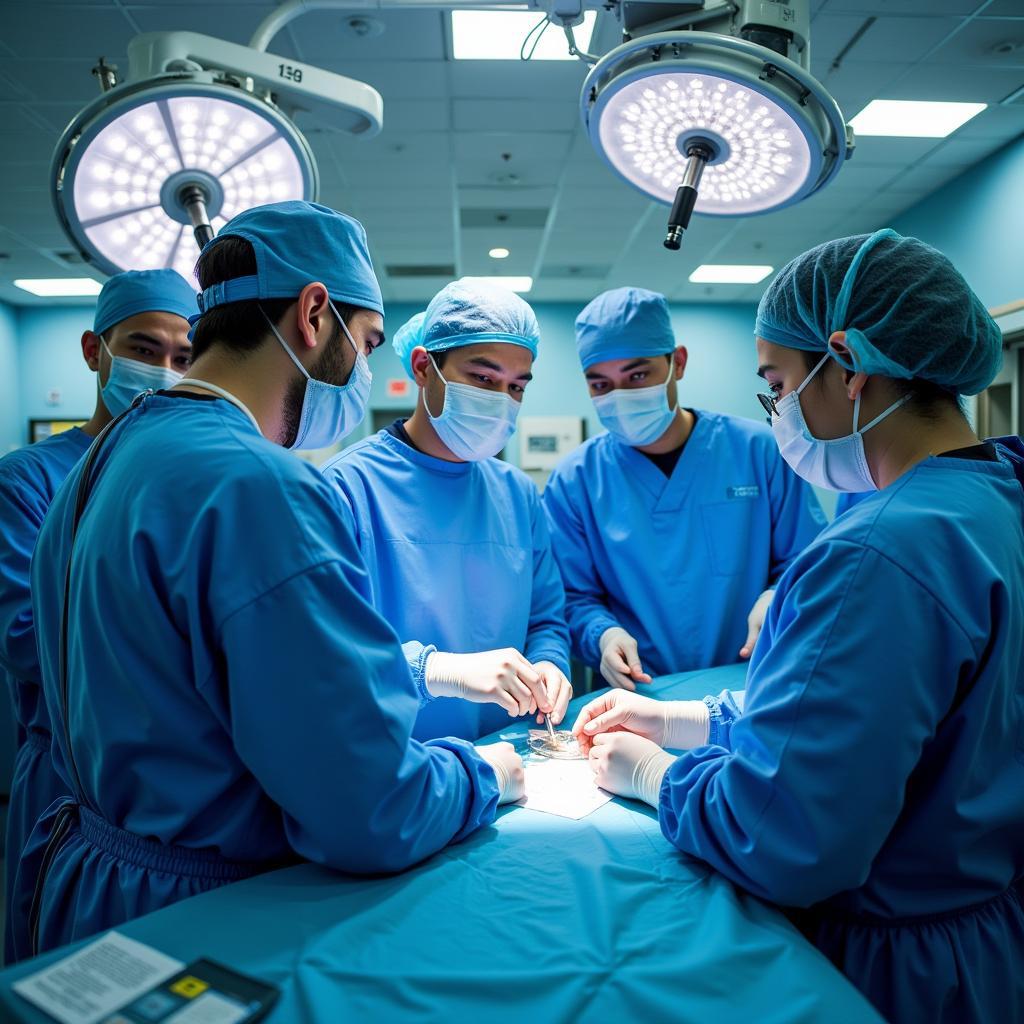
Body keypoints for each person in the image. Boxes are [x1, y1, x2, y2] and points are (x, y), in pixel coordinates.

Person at [17, 202, 521, 961]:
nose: (366, 372)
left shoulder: (103, 460)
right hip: (212, 917)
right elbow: (368, 809)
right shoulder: (259, 485)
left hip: (96, 893)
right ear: (315, 313)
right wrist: (483, 774)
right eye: (370, 343)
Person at [572, 229, 1024, 1024]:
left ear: (846, 366)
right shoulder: (995, 502)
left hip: (899, 970)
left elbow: (782, 839)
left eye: (776, 381)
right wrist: (687, 719)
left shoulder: (880, 551)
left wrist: (651, 773)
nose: (776, 407)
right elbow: (887, 723)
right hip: (986, 934)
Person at [0, 268, 196, 962]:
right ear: (94, 351)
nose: (165, 371)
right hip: (71, 778)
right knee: (62, 968)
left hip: (175, 788)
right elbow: (27, 638)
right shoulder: (28, 480)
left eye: (183, 356)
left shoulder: (185, 477)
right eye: (144, 350)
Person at [321, 279, 571, 741]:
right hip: (399, 761)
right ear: (423, 367)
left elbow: (545, 619)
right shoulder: (346, 488)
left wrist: (549, 663)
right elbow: (325, 649)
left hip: (509, 754)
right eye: (483, 378)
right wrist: (435, 670)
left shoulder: (517, 494)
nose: (501, 400)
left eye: (516, 386)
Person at [543, 286, 825, 690]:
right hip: (640, 696)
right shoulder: (576, 480)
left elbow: (808, 559)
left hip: (754, 684)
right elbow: (572, 598)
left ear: (678, 362)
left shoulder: (758, 452)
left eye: (637, 375)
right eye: (600, 385)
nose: (620, 396)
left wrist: (777, 595)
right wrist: (602, 635)